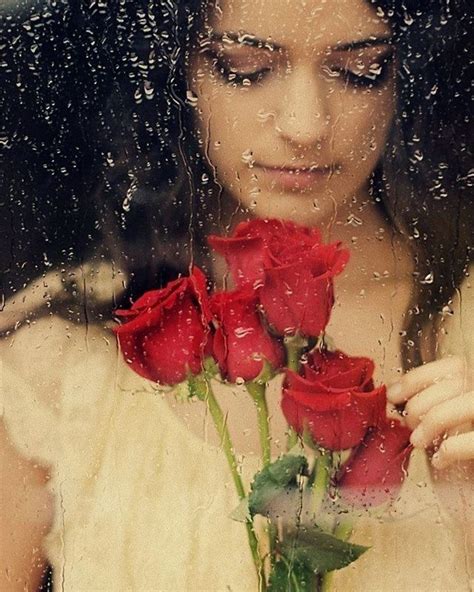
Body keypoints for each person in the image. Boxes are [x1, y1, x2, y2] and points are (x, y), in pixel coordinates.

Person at [1, 0, 472, 590]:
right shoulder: (61, 353)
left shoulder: (465, 323)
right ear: (176, 73)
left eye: (360, 70)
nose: (305, 126)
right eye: (244, 68)